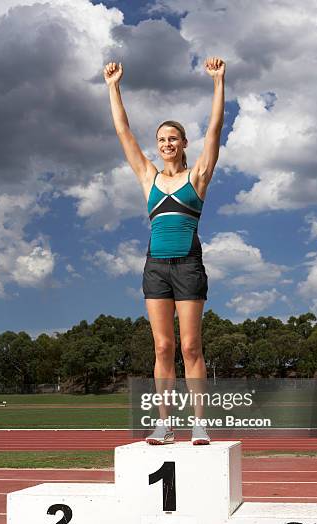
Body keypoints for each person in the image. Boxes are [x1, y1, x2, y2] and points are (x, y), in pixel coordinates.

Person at [104, 56, 225, 444]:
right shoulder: (148, 176)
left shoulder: (198, 177)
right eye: (161, 140)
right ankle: (164, 423)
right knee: (162, 345)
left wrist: (218, 82)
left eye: (173, 138)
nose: (166, 144)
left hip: (188, 266)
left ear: (183, 143)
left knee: (190, 345)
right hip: (155, 267)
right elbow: (123, 132)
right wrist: (113, 87)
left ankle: (200, 424)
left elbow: (215, 132)